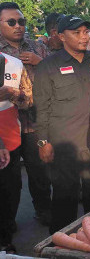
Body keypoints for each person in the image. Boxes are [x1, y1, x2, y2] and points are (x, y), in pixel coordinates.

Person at [34, 15, 90, 234]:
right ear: (61, 36)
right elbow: (42, 108)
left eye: (85, 32)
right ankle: (60, 242)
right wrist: (43, 142)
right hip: (64, 144)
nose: (84, 37)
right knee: (65, 196)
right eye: (77, 33)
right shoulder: (48, 66)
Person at [0, 2, 51, 225]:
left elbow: (58, 71)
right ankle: (7, 227)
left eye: (21, 21)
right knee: (9, 179)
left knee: (40, 171)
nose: (18, 26)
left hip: (35, 121)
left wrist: (42, 63)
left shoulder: (37, 47)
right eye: (11, 22)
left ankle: (44, 211)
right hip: (6, 125)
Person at [0, 52, 32, 254]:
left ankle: (6, 229)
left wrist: (12, 94)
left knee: (10, 190)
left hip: (11, 138)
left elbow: (29, 100)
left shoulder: (14, 63)